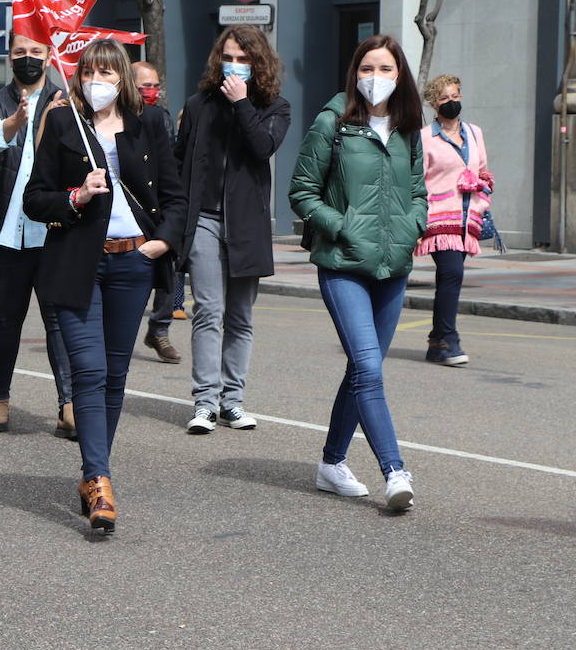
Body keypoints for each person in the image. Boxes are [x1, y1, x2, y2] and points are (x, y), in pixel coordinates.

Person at [24, 39, 186, 533]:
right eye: (89, 71)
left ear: (123, 79)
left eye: (108, 73)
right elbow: (35, 199)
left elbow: (177, 195)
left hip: (133, 262)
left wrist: (161, 244)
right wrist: (76, 195)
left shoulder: (149, 126)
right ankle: (99, 478)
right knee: (89, 372)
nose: (98, 81)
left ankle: (94, 473)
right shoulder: (61, 123)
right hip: (77, 263)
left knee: (116, 376)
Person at [288, 33, 426, 511]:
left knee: (361, 369)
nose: (375, 78)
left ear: (400, 75)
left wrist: (414, 227)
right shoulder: (333, 122)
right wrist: (341, 227)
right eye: (367, 68)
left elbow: (419, 192)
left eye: (386, 69)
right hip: (344, 264)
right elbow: (302, 190)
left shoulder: (409, 128)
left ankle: (331, 463)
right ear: (355, 73)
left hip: (393, 267)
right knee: (369, 369)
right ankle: (394, 471)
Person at [173, 26, 292, 433]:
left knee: (240, 316)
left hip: (247, 225)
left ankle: (233, 401)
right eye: (229, 57)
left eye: (244, 59)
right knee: (208, 310)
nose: (234, 66)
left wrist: (242, 105)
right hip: (203, 220)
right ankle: (205, 403)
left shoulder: (276, 107)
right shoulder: (199, 104)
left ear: (259, 63)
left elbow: (262, 148)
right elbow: (179, 161)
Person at [0, 32, 74, 437]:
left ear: (49, 57)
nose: (27, 59)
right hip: (4, 235)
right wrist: (17, 119)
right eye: (20, 53)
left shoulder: (67, 102)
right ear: (8, 58)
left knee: (59, 321)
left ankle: (68, 403)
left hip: (52, 233)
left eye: (35, 52)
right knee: (5, 319)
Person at [416, 74, 492, 367]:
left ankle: (436, 343)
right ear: (434, 103)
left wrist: (481, 199)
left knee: (450, 277)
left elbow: (484, 172)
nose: (451, 102)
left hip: (467, 221)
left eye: (456, 96)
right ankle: (449, 340)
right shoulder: (425, 137)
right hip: (438, 219)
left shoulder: (474, 133)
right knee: (452, 274)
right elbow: (417, 181)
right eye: (445, 98)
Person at [132, 61, 182, 364]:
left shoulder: (161, 117)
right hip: (131, 208)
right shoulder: (113, 117)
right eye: (144, 86)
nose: (151, 92)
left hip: (159, 204)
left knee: (168, 270)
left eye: (154, 86)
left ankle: (159, 331)